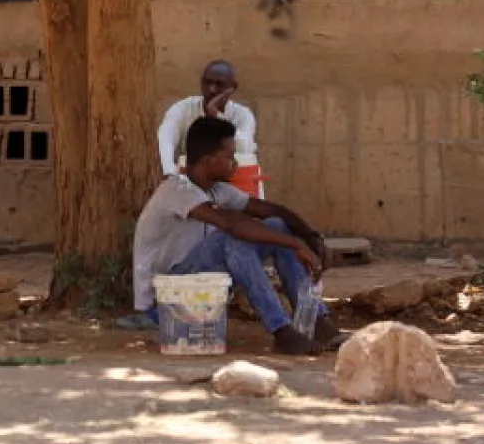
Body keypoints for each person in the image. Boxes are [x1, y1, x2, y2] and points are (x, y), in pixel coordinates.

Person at [130, 117, 346, 354]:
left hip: (200, 288)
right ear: (208, 160)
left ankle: (315, 319)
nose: (235, 164)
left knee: (276, 225)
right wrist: (296, 243)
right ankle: (281, 330)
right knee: (230, 240)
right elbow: (230, 225)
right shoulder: (175, 190)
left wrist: (311, 236)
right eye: (230, 156)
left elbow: (274, 211)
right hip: (165, 301)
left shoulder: (217, 190)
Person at [157, 59, 265, 197]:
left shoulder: (243, 114)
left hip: (233, 182)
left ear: (232, 87)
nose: (212, 89)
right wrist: (170, 173)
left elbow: (246, 148)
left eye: (219, 85)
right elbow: (165, 138)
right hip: (191, 184)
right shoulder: (183, 109)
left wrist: (216, 116)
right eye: (207, 83)